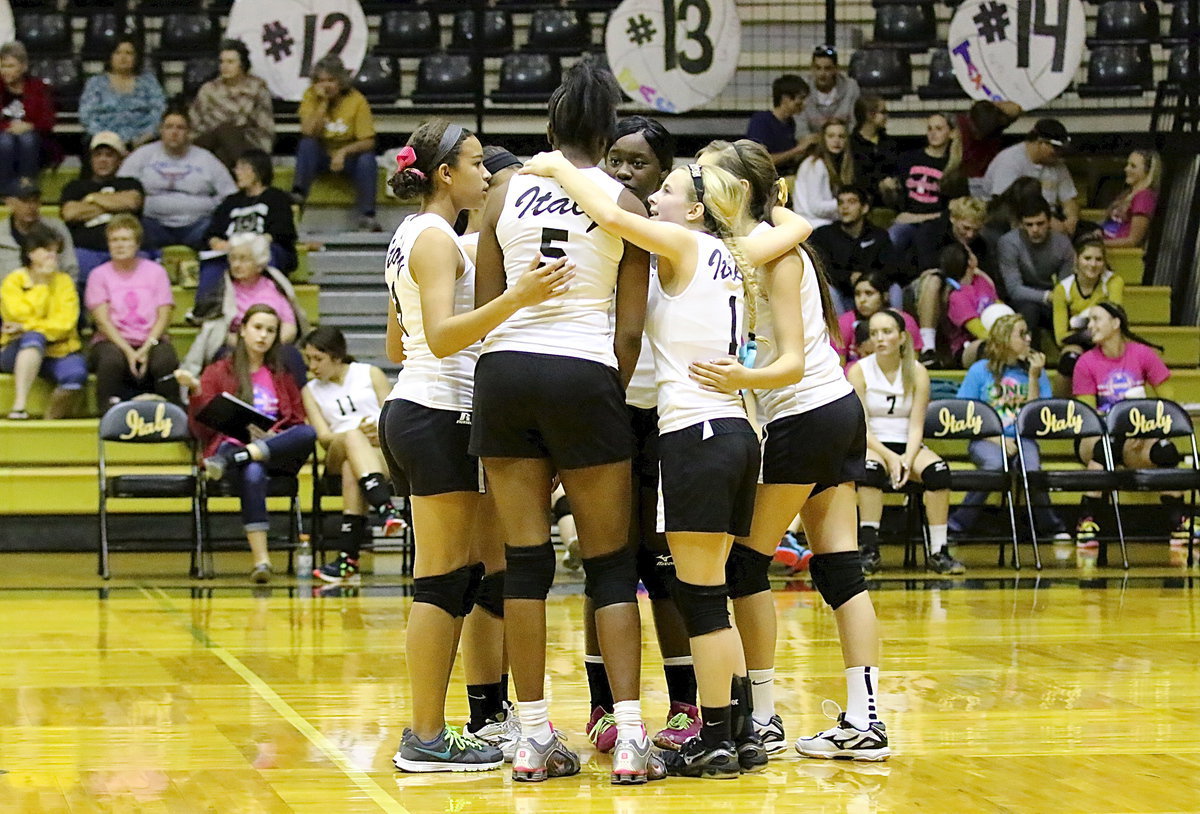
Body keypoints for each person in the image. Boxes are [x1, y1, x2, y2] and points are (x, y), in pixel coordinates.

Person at [519, 147, 809, 777]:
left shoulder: (687, 245)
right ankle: (740, 733)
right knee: (714, 594)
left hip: (696, 434)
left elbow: (607, 212)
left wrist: (557, 168)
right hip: (734, 431)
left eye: (669, 188)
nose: (655, 196)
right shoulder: (730, 254)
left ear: (696, 209)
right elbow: (789, 225)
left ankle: (718, 739)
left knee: (701, 599)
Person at [470, 57, 654, 784]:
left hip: (506, 373)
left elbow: (487, 308)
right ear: (608, 132)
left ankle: (533, 737)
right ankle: (634, 739)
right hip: (585, 373)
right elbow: (631, 334)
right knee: (610, 567)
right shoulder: (625, 203)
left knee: (524, 564)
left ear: (548, 125)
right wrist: (600, 399)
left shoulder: (503, 191)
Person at [381, 119, 572, 774]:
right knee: (441, 579)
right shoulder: (434, 240)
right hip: (437, 412)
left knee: (466, 573)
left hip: (423, 407)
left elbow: (394, 345)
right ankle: (426, 737)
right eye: (473, 162)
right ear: (444, 175)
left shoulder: (420, 236)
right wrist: (517, 298)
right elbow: (436, 338)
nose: (485, 172)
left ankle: (469, 719)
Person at [693, 140, 888, 763]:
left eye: (709, 179)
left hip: (806, 415)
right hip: (832, 412)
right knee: (839, 570)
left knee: (744, 567)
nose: (699, 188)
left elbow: (792, 363)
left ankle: (765, 715)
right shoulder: (767, 247)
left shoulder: (777, 257)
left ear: (736, 192)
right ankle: (864, 720)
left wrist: (735, 380)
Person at [583, 116, 702, 755]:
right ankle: (602, 705)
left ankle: (684, 702)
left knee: (665, 565)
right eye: (615, 160)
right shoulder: (594, 232)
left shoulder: (686, 244)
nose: (624, 173)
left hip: (667, 415)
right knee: (606, 563)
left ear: (666, 175)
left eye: (638, 164)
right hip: (605, 410)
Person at [180, 304, 317, 583]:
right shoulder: (219, 371)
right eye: (257, 328)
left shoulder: (282, 372)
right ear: (242, 330)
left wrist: (271, 436)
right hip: (232, 445)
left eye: (270, 330)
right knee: (252, 471)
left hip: (273, 450)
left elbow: (297, 419)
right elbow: (199, 428)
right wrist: (195, 394)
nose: (263, 336)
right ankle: (262, 561)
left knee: (307, 433)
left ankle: (240, 457)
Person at [850, 309, 958, 574]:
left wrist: (907, 460)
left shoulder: (917, 371)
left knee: (939, 473)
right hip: (872, 444)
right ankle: (869, 549)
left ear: (901, 337)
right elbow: (860, 428)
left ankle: (938, 551)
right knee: (870, 472)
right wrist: (890, 457)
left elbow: (916, 425)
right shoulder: (859, 371)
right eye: (874, 333)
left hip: (907, 443)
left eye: (886, 332)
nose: (879, 339)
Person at [1071, 302, 1189, 545]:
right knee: (1107, 446)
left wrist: (1147, 429)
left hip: (1138, 434)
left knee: (1166, 451)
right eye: (1089, 321)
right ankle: (1086, 521)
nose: (1090, 326)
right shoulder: (1085, 362)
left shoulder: (1142, 354)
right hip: (1097, 435)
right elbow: (1088, 417)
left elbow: (1168, 404)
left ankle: (1180, 521)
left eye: (1096, 319)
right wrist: (1121, 427)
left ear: (1115, 323)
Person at [300, 326, 406, 584]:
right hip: (336, 451)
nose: (312, 366)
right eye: (308, 359)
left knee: (353, 467)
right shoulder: (310, 390)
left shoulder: (370, 373)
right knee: (350, 437)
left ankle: (348, 559)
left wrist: (376, 432)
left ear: (337, 356)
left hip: (378, 453)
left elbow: (393, 416)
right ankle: (383, 507)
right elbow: (324, 437)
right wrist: (356, 433)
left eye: (318, 359)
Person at [951, 313, 1066, 539]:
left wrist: (1034, 377)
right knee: (994, 466)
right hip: (987, 438)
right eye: (1022, 334)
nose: (1029, 339)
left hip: (1023, 439)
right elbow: (966, 416)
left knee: (1031, 469)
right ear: (1004, 339)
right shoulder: (979, 371)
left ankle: (1052, 527)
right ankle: (957, 526)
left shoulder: (1036, 372)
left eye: (1028, 333)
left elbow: (1035, 418)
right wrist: (999, 441)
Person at [178, 232, 308, 387]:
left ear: (259, 263)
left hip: (272, 345)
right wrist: (247, 344)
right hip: (235, 346)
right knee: (224, 360)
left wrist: (266, 343)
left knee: (291, 356)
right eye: (233, 258)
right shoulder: (221, 289)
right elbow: (218, 330)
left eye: (243, 259)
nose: (236, 264)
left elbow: (290, 326)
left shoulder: (275, 286)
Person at [84, 215, 179, 409]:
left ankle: (173, 416)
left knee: (165, 361)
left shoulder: (156, 272)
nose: (119, 245)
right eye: (114, 240)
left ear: (137, 243)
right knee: (112, 361)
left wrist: (146, 348)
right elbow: (102, 321)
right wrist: (129, 352)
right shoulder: (98, 275)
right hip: (111, 341)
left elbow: (164, 314)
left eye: (125, 239)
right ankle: (108, 417)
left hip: (151, 339)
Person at [195, 149, 298, 318]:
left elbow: (283, 231)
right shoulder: (231, 201)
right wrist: (216, 242)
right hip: (232, 252)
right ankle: (207, 310)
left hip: (260, 249)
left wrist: (251, 245)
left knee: (268, 254)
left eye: (243, 168)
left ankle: (268, 304)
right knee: (211, 264)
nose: (237, 172)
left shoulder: (276, 198)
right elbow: (211, 232)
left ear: (258, 171)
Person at [0, 222, 86, 419]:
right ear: (31, 253)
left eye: (55, 252)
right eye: (47, 251)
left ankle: (49, 421)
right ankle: (19, 405)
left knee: (76, 376)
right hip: (16, 349)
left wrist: (25, 326)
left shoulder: (64, 282)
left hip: (58, 349)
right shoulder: (13, 282)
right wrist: (42, 286)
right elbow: (17, 314)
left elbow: (65, 324)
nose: (53, 256)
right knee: (34, 338)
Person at [119, 111, 237, 251]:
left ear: (189, 132)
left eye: (180, 128)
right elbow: (120, 188)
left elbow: (231, 195)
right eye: (169, 127)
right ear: (160, 130)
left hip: (198, 226)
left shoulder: (206, 159)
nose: (174, 132)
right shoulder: (142, 155)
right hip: (152, 224)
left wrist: (210, 206)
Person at [294, 55, 380, 232]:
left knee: (367, 160)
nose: (326, 85)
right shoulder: (310, 96)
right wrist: (323, 103)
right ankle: (298, 197)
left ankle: (367, 216)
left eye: (331, 80)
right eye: (321, 81)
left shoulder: (357, 100)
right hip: (321, 155)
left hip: (349, 158)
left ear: (341, 81)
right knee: (306, 145)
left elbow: (368, 141)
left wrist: (343, 152)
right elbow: (308, 132)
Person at [911, 196, 990, 363]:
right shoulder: (931, 232)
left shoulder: (980, 245)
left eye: (975, 230)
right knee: (935, 281)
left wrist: (976, 272)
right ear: (953, 218)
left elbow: (988, 282)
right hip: (921, 288)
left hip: (960, 293)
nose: (970, 234)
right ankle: (928, 347)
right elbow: (926, 268)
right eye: (966, 228)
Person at [59, 132, 145, 284]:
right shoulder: (75, 187)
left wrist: (92, 198)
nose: (103, 160)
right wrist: (114, 205)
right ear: (91, 159)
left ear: (119, 160)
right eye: (98, 155)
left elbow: (131, 203)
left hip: (126, 248)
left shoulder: (130, 183)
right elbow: (70, 213)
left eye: (109, 155)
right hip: (86, 250)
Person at [997, 196, 1075, 348]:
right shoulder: (1009, 243)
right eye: (1029, 224)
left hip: (1050, 300)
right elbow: (1014, 289)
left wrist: (1056, 298)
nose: (1035, 230)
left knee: (1067, 312)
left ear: (1049, 222)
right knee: (1030, 310)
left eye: (1040, 224)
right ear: (1021, 224)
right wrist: (1048, 296)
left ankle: (1071, 357)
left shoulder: (1062, 244)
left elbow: (1066, 285)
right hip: (1020, 301)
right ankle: (1026, 360)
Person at [188, 39, 275, 169]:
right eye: (222, 62)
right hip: (208, 143)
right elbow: (194, 125)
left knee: (223, 151)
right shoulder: (208, 90)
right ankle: (249, 173)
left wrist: (262, 154)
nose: (224, 66)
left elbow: (265, 127)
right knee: (225, 129)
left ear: (243, 64)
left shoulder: (257, 89)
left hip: (246, 145)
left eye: (230, 62)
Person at [983, 118, 1078, 236]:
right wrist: (1049, 222)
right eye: (1055, 148)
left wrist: (1071, 219)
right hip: (1013, 220)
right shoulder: (1010, 161)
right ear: (1040, 142)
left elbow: (1069, 199)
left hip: (1050, 217)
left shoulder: (1057, 165)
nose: (1059, 153)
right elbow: (1006, 203)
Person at [808, 185, 896, 313]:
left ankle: (895, 325)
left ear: (864, 208)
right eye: (841, 202)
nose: (844, 207)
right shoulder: (823, 234)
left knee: (895, 288)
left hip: (872, 291)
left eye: (851, 202)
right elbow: (821, 269)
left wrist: (866, 277)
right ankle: (840, 331)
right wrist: (848, 277)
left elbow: (892, 268)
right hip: (840, 292)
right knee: (827, 289)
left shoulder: (878, 235)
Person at [882, 113, 958, 256]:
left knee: (925, 238)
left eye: (939, 128)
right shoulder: (908, 158)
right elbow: (895, 200)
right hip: (907, 220)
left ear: (952, 133)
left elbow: (954, 209)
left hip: (938, 223)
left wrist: (917, 218)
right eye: (929, 129)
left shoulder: (954, 167)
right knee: (891, 238)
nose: (933, 133)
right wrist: (888, 189)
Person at [1053, 237, 1124, 382]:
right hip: (1078, 340)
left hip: (1107, 337)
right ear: (1076, 259)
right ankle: (1059, 403)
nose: (1093, 264)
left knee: (1107, 354)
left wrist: (1079, 322)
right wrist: (1085, 332)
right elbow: (1060, 337)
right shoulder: (1062, 289)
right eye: (1087, 258)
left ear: (1104, 262)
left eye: (1098, 259)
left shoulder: (1113, 282)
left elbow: (1114, 317)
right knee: (1069, 359)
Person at [79, 38, 166, 149]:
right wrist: (107, 139)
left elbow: (159, 111)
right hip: (104, 141)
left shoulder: (149, 82)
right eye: (118, 53)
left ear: (136, 58)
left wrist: (145, 137)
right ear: (110, 57)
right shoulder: (96, 83)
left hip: (143, 141)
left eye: (129, 53)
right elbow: (87, 115)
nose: (123, 58)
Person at [0, 41, 57, 187]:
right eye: (2, 66)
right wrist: (8, 126)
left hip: (35, 138)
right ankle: (5, 188)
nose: (5, 71)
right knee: (6, 141)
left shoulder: (38, 88)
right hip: (3, 134)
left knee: (28, 139)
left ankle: (27, 186)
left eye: (10, 66)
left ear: (24, 66)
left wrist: (30, 126)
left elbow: (48, 120)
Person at [0, 178, 77, 283]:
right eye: (25, 201)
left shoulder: (56, 228)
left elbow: (70, 268)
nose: (31, 206)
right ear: (9, 203)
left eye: (35, 200)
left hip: (51, 294)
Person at [836, 271, 922, 365]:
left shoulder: (905, 322)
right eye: (857, 294)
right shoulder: (845, 322)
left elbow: (912, 364)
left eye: (869, 293)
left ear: (884, 296)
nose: (862, 300)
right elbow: (838, 367)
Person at [942, 242, 1003, 369]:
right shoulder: (957, 296)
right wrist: (1003, 340)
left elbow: (998, 307)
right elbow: (977, 330)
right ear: (970, 262)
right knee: (986, 348)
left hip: (996, 337)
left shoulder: (981, 281)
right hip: (968, 347)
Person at [792, 118, 854, 229]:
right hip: (812, 225)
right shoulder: (815, 165)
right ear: (823, 139)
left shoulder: (842, 165)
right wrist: (844, 203)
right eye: (831, 136)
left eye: (841, 136)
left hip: (826, 223)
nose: (836, 140)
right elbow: (816, 208)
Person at [744, 74, 812, 174]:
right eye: (800, 98)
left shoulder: (790, 123)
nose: (803, 103)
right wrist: (797, 150)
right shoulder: (761, 121)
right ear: (785, 99)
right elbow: (759, 162)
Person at [955, 100, 1022, 198]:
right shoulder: (959, 124)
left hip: (982, 181)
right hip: (962, 181)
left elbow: (1016, 109)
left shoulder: (997, 124)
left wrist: (996, 105)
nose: (978, 136)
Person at [1101, 149, 1160, 249]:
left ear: (1147, 171)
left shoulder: (1144, 197)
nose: (1126, 169)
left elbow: (1133, 241)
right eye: (1127, 164)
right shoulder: (1128, 193)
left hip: (1120, 254)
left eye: (1133, 166)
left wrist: (1098, 244)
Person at [849, 94, 897, 204]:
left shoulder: (889, 142)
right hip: (861, 200)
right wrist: (879, 185)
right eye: (883, 112)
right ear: (870, 115)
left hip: (888, 200)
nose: (886, 116)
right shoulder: (852, 144)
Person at [801, 45, 860, 133]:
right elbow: (800, 127)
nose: (822, 74)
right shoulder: (802, 88)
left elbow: (854, 123)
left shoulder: (851, 87)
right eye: (818, 68)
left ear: (836, 69)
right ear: (812, 68)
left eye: (827, 69)